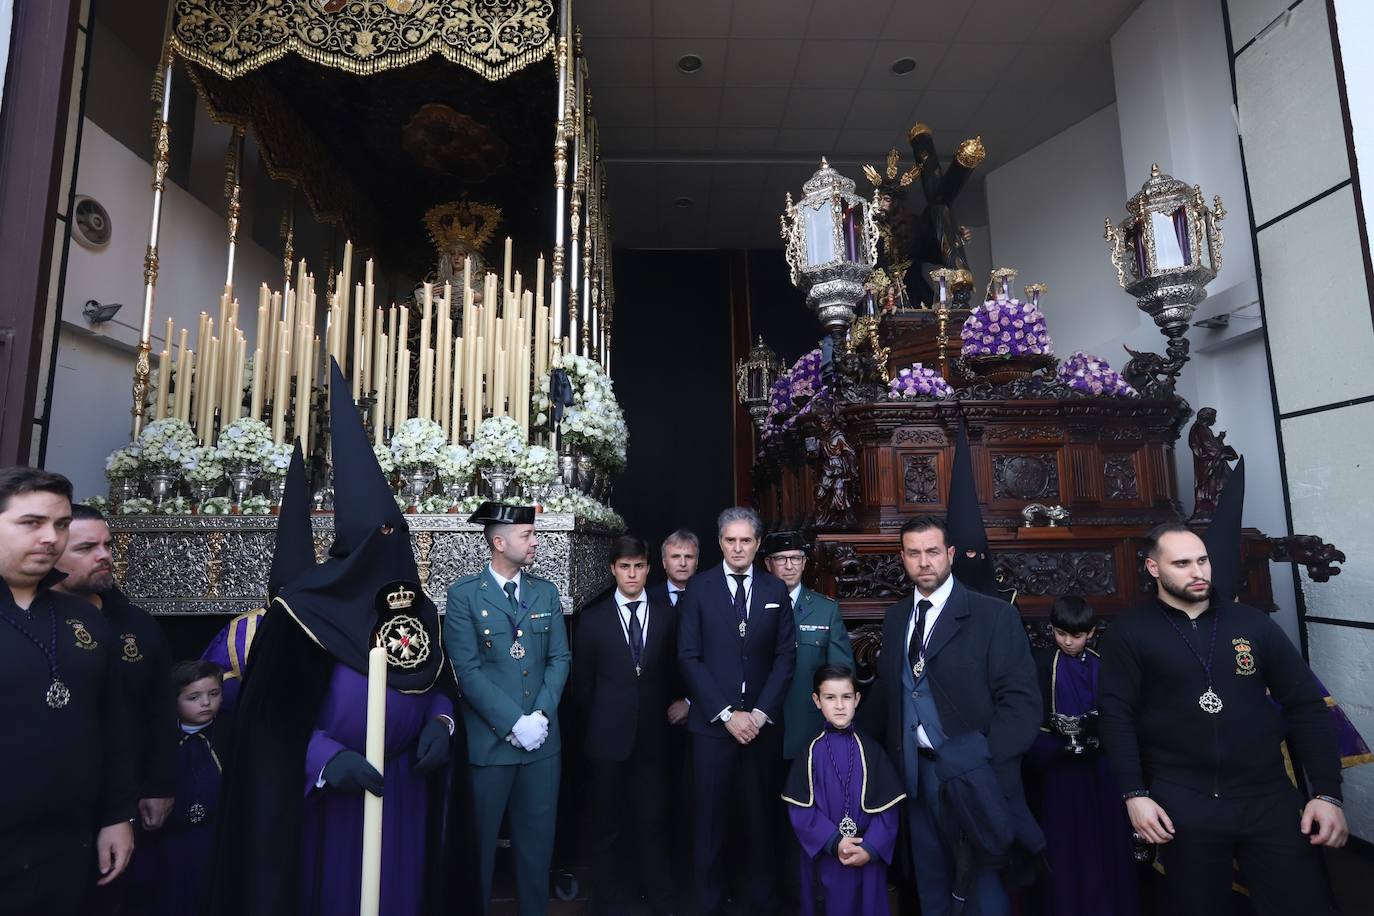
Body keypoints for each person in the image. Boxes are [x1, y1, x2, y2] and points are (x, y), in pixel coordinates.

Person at [210, 371, 459, 916]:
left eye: (398, 534)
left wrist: (442, 723)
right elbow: (268, 721)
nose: (392, 548)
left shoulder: (415, 609)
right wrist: (325, 759)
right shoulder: (303, 611)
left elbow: (436, 682)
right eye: (381, 537)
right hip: (332, 792)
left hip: (405, 784)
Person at [1098, 523, 1347, 916]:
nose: (1198, 572)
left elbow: (1305, 705)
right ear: (1153, 568)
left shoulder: (1253, 624)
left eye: (1203, 560)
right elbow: (1117, 716)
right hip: (1184, 800)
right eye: (1182, 563)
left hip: (1267, 798)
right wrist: (1135, 794)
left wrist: (1327, 793)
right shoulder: (1130, 631)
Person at [877, 515, 1040, 916]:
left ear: (950, 554)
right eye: (913, 553)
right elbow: (888, 695)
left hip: (975, 779)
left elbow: (1020, 705)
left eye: (932, 551)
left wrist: (985, 766)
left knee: (984, 893)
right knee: (931, 887)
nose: (924, 562)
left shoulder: (994, 616)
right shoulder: (896, 618)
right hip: (915, 778)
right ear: (902, 558)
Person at [0, 467, 135, 915]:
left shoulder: (85, 618)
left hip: (67, 844)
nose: (50, 537)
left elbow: (113, 723)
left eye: (60, 524)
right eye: (31, 522)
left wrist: (117, 815)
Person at [445, 501, 570, 916]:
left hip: (541, 746)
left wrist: (541, 717)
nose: (535, 542)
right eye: (526, 535)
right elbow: (466, 671)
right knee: (479, 850)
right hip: (491, 746)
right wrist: (514, 722)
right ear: (499, 543)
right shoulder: (464, 595)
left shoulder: (545, 592)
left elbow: (559, 659)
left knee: (537, 849)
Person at [678, 506, 796, 916]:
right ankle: (708, 905)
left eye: (746, 540)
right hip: (714, 729)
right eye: (731, 540)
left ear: (758, 543)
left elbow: (785, 658)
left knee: (760, 822)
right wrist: (727, 714)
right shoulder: (698, 588)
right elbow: (688, 657)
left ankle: (762, 904)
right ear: (720, 542)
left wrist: (759, 714)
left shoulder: (775, 590)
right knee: (710, 824)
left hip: (761, 729)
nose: (738, 547)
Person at [572, 534, 688, 915]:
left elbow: (677, 669)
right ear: (613, 569)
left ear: (649, 568)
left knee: (654, 820)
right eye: (625, 567)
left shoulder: (668, 615)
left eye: (639, 566)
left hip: (656, 738)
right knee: (607, 822)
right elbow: (583, 685)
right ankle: (608, 899)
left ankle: (659, 897)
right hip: (608, 739)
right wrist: (605, 721)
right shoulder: (593, 620)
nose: (632, 574)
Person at [55, 504, 177, 845]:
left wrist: (160, 784)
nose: (104, 556)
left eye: (107, 545)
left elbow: (161, 709)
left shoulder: (137, 624)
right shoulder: (30, 621)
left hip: (126, 797)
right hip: (50, 799)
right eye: (86, 548)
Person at [1024, 596, 1137, 916]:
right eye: (1060, 633)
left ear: (1091, 632)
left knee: (1105, 845)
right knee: (1065, 849)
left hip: (1101, 772)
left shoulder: (1104, 664)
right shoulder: (1041, 665)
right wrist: (1058, 746)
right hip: (1060, 775)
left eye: (1076, 635)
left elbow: (1121, 717)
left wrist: (1096, 735)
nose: (1067, 642)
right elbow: (1029, 721)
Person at [783, 664, 905, 916]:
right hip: (827, 857)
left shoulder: (873, 751)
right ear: (817, 700)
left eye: (846, 697)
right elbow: (801, 811)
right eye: (830, 697)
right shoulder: (810, 753)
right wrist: (833, 841)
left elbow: (888, 809)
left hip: (866, 853)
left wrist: (871, 848)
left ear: (857, 699)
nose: (839, 705)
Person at [126, 660, 227, 916]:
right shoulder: (158, 739)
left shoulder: (228, 733)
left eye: (214, 694)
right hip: (165, 841)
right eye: (193, 697)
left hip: (211, 838)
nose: (206, 703)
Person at [764, 530, 854, 762]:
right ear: (768, 563)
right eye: (781, 559)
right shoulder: (752, 606)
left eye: (796, 558)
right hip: (760, 723)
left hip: (808, 725)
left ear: (804, 563)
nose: (789, 566)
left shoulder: (826, 609)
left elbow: (841, 672)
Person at [647, 528, 698, 608]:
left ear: (696, 562)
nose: (683, 563)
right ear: (664, 562)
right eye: (676, 557)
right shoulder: (648, 597)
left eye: (688, 557)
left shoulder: (710, 595)